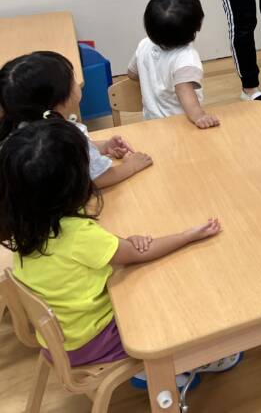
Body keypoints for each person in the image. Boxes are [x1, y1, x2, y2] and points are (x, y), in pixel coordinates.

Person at [0, 118, 236, 382]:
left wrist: (120, 243)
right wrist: (189, 235)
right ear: (76, 180)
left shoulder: (24, 224)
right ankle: (164, 372)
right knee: (171, 289)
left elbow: (94, 252)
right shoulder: (76, 234)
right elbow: (140, 254)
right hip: (93, 342)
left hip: (61, 337)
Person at [0, 52, 151, 189]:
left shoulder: (22, 129)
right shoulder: (64, 138)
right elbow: (97, 179)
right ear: (62, 101)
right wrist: (131, 166)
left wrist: (103, 146)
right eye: (73, 78)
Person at [127, 0, 218, 127]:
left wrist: (151, 76)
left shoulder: (144, 44)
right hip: (179, 125)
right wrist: (199, 116)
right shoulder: (187, 58)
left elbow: (132, 74)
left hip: (151, 122)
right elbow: (184, 90)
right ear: (199, 24)